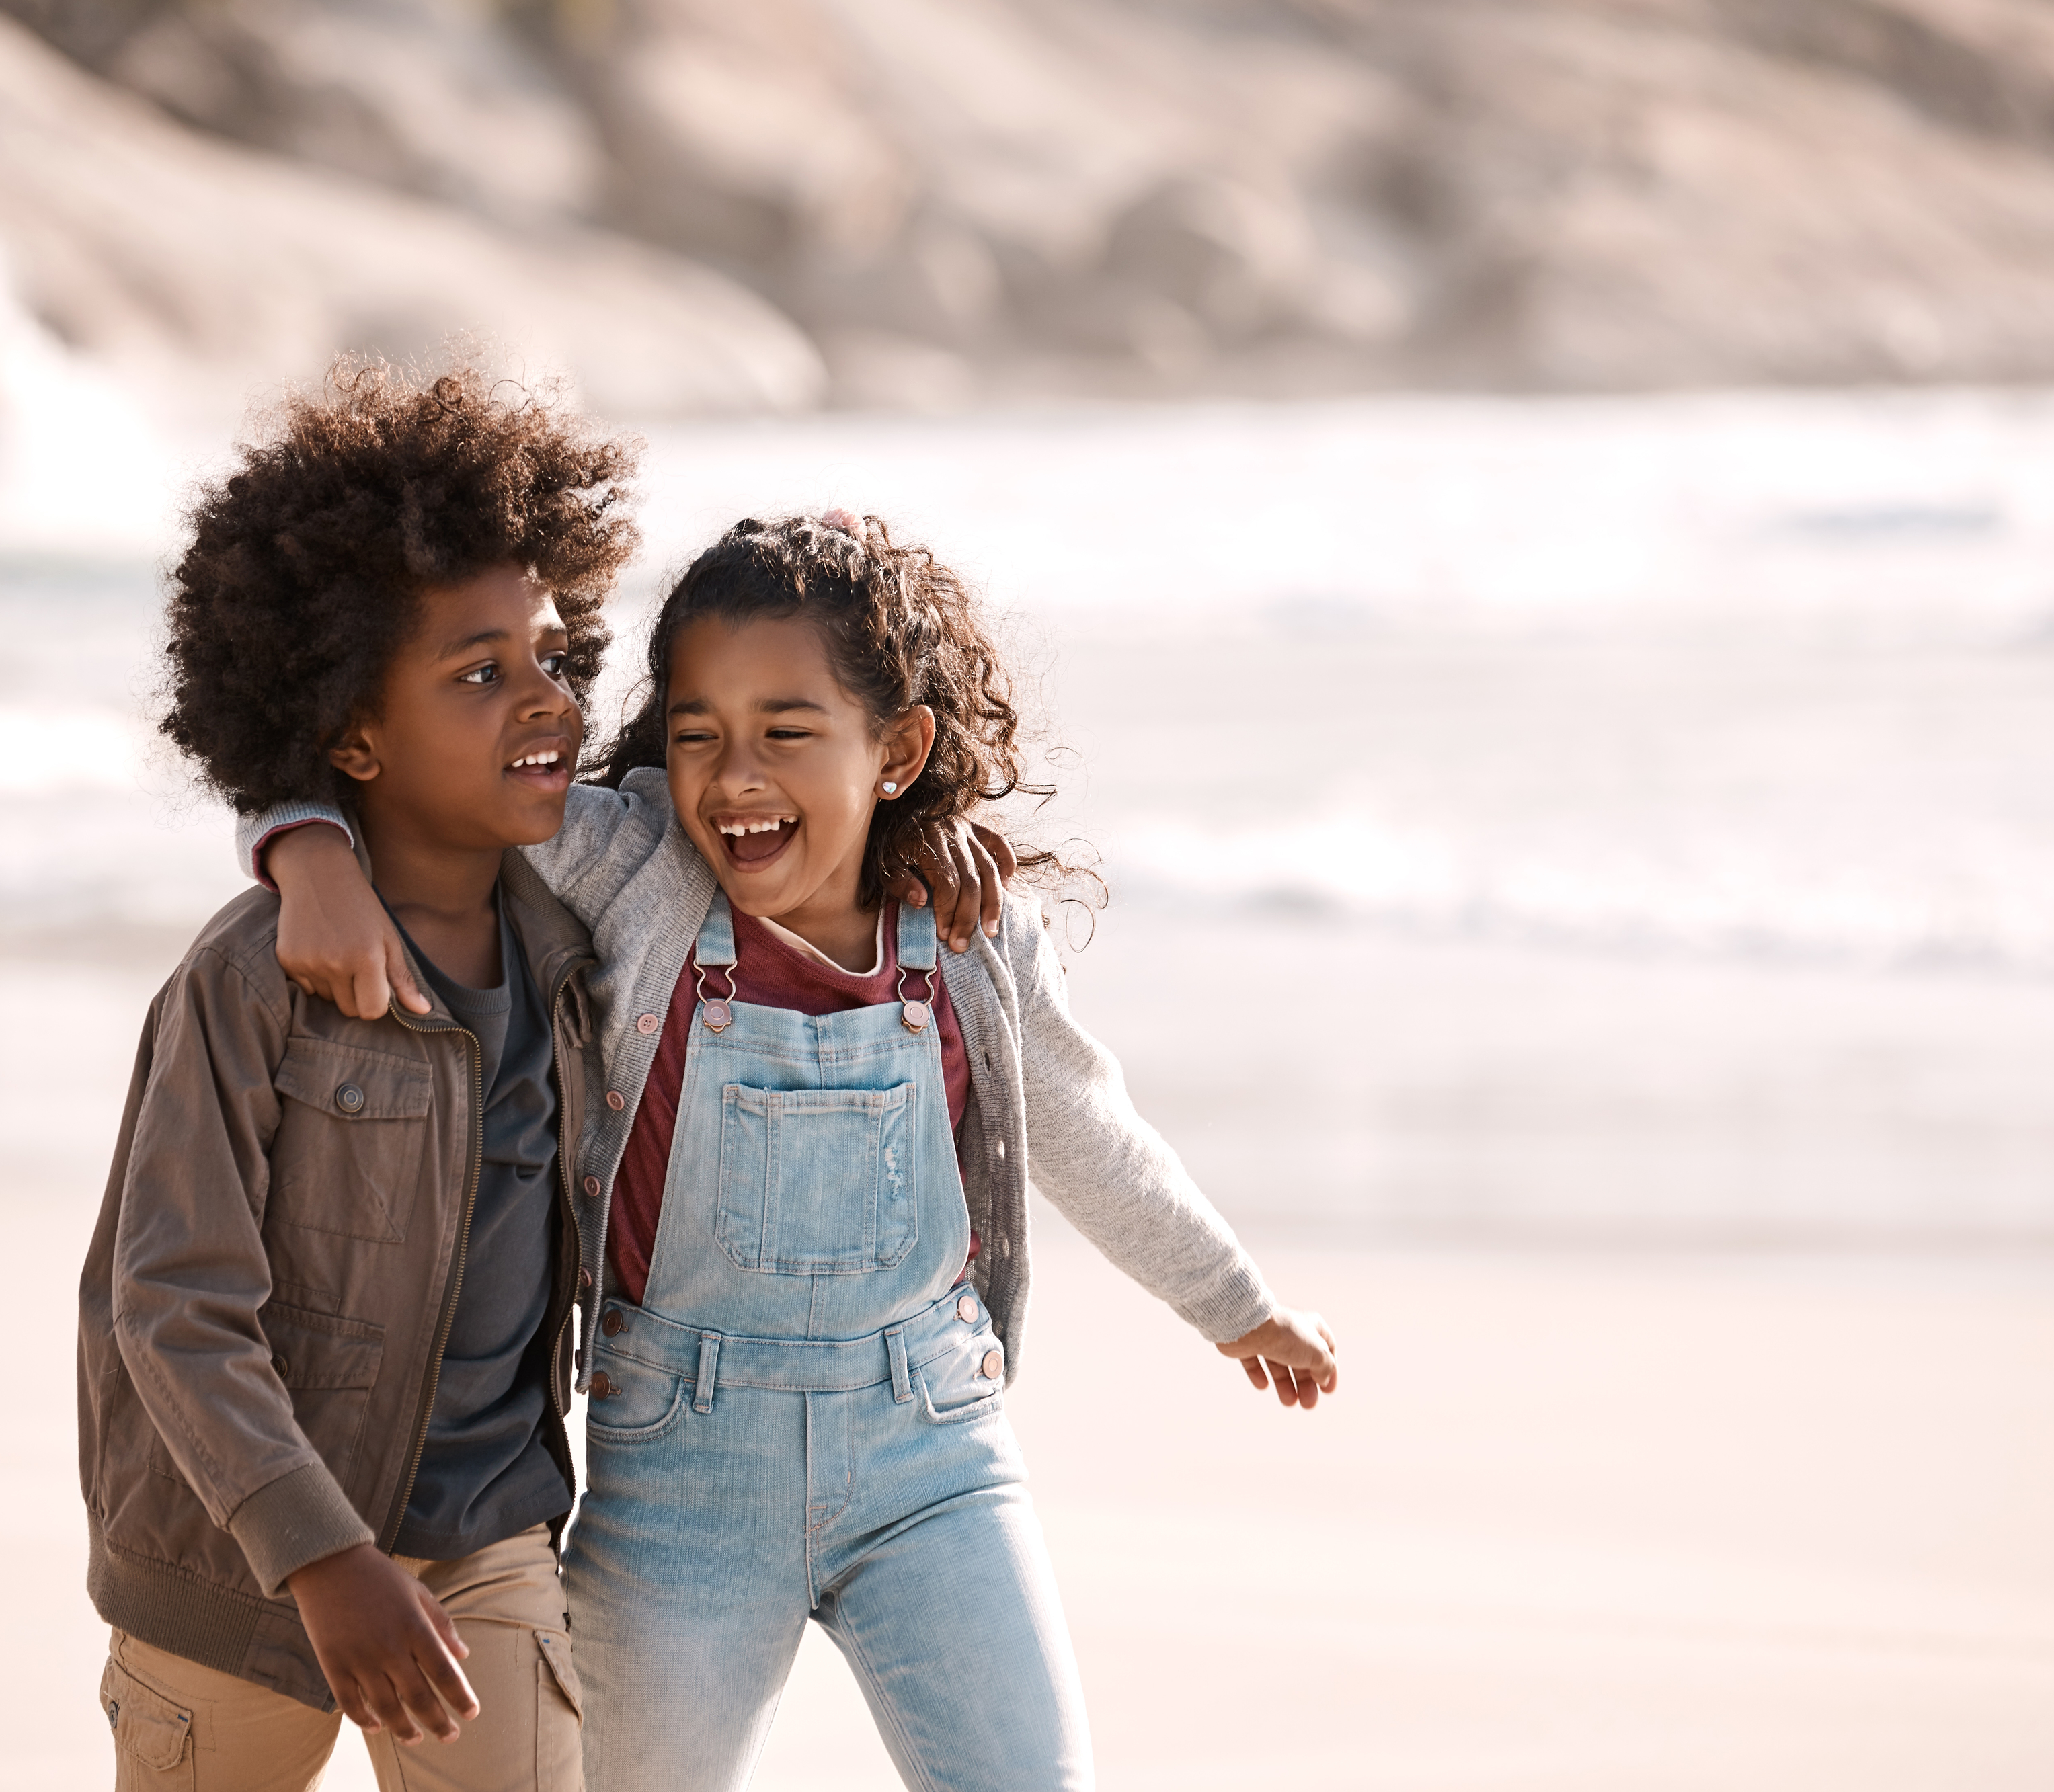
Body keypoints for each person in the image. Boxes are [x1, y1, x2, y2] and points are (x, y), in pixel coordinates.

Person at [253, 509, 1340, 1792]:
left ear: (899, 751)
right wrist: (304, 846)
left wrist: (1234, 1302)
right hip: (678, 1473)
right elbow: (414, 784)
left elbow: (1088, 1128)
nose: (735, 775)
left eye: (787, 731)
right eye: (698, 733)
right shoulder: (636, 870)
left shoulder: (973, 933)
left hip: (933, 1453)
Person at [76, 363, 633, 1792]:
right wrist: (322, 1558)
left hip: (488, 1536)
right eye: (479, 672)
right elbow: (173, 1304)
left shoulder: (580, 947)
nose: (545, 700)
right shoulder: (254, 976)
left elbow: (773, 814)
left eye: (556, 657)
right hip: (236, 1565)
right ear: (350, 736)